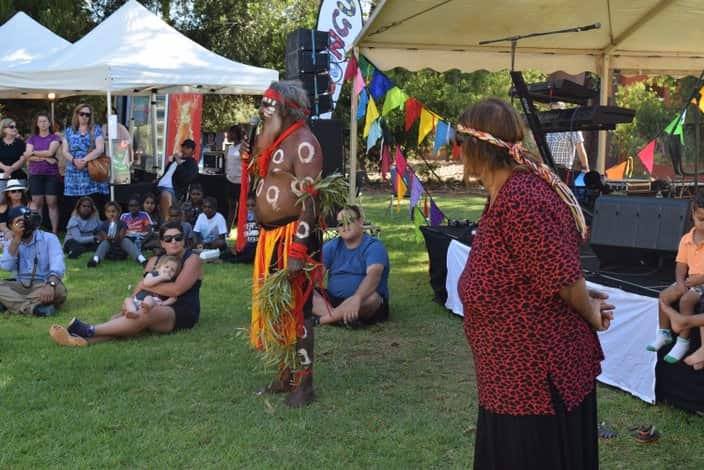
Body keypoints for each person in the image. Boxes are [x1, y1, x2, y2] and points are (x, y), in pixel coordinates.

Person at [454, 98, 613, 469]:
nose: (456, 152)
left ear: (474, 147)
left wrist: (588, 310)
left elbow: (563, 275)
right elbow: (538, 269)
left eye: (458, 143)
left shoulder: (521, 198)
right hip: (509, 379)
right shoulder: (502, 193)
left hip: (535, 381)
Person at [245, 80, 323, 407]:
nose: (263, 111)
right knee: (276, 310)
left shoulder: (304, 143)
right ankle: (283, 375)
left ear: (287, 108)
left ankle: (304, 385)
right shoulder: (278, 141)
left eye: (269, 106)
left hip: (294, 238)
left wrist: (298, 249)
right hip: (271, 238)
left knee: (299, 311)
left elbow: (312, 201)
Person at [49, 222, 203, 347]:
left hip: (180, 310)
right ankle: (78, 341)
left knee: (144, 314)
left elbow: (176, 290)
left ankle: (89, 329)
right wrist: (133, 301)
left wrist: (147, 284)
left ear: (184, 239)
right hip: (152, 305)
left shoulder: (192, 260)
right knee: (123, 316)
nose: (174, 242)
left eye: (178, 237)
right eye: (169, 239)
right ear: (162, 243)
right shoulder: (154, 261)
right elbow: (139, 288)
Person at [649, 191, 704, 363]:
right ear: (693, 214)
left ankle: (683, 341)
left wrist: (699, 280)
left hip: (701, 282)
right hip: (690, 280)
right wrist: (680, 283)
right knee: (664, 296)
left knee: (686, 301)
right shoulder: (686, 239)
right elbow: (681, 265)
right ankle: (664, 332)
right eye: (701, 219)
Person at [312, 205, 390, 326]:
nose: (344, 226)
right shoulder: (331, 246)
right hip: (334, 300)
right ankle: (341, 318)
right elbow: (316, 277)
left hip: (363, 300)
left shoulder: (374, 246)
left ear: (360, 222)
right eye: (340, 223)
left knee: (373, 299)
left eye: (349, 221)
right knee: (305, 293)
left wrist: (357, 298)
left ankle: (323, 320)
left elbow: (373, 276)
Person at [0, 205, 66, 316]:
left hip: (43, 284)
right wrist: (16, 239)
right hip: (20, 285)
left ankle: (9, 304)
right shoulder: (11, 242)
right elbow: (7, 267)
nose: (24, 223)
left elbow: (58, 265)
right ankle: (33, 308)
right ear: (11, 226)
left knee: (59, 290)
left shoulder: (49, 238)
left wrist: (50, 284)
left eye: (26, 219)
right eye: (19, 221)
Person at [62, 103, 109, 212]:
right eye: (82, 114)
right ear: (76, 114)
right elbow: (64, 150)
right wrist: (74, 161)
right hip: (73, 172)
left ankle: (94, 228)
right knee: (74, 205)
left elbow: (100, 148)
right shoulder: (69, 131)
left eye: (87, 114)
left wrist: (84, 160)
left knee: (93, 204)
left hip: (91, 170)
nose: (84, 117)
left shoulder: (95, 129)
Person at [25, 111, 61, 233]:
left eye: (45, 121)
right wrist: (46, 158)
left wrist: (34, 153)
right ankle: (37, 231)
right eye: (40, 121)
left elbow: (51, 152)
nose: (43, 123)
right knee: (37, 203)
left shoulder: (54, 137)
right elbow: (27, 156)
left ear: (49, 123)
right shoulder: (31, 138)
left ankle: (55, 231)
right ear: (36, 124)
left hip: (51, 174)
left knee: (52, 203)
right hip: (35, 174)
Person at [87, 201, 147, 268]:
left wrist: (115, 226)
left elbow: (120, 237)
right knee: (105, 242)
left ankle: (141, 259)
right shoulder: (103, 225)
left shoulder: (122, 224)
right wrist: (109, 235)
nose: (111, 214)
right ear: (105, 213)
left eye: (113, 211)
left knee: (125, 240)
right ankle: (95, 260)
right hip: (109, 252)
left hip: (120, 252)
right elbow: (105, 237)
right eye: (108, 212)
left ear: (118, 213)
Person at [545, 101, 590, 183]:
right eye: (553, 112)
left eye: (559, 111)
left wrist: (585, 168)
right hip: (548, 169)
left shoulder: (572, 127)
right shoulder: (548, 128)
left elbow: (580, 149)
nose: (556, 115)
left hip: (564, 171)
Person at [156, 139, 199, 221]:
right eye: (183, 147)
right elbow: (166, 174)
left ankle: (167, 223)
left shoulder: (191, 164)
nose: (184, 150)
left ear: (193, 151)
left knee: (165, 195)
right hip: (158, 186)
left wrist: (179, 163)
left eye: (187, 148)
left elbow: (185, 179)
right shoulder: (173, 162)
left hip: (172, 190)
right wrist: (158, 180)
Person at [221, 194, 258, 263]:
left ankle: (226, 261)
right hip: (245, 246)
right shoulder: (244, 219)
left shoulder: (260, 219)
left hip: (254, 248)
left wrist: (257, 220)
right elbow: (241, 236)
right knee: (225, 254)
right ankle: (224, 259)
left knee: (248, 257)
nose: (250, 208)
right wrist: (236, 246)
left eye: (253, 205)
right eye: (248, 206)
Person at [0, 117, 28, 192]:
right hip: (1, 177)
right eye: (11, 127)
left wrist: (10, 170)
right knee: (1, 201)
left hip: (18, 176)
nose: (15, 128)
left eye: (15, 126)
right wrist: (5, 168)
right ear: (4, 129)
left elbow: (22, 159)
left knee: (19, 201)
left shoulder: (21, 143)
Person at [224, 124, 243, 229]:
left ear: (235, 134)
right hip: (230, 179)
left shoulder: (243, 147)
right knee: (231, 206)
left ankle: (241, 227)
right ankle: (228, 228)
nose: (228, 135)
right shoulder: (230, 147)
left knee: (242, 207)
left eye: (230, 133)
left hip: (240, 181)